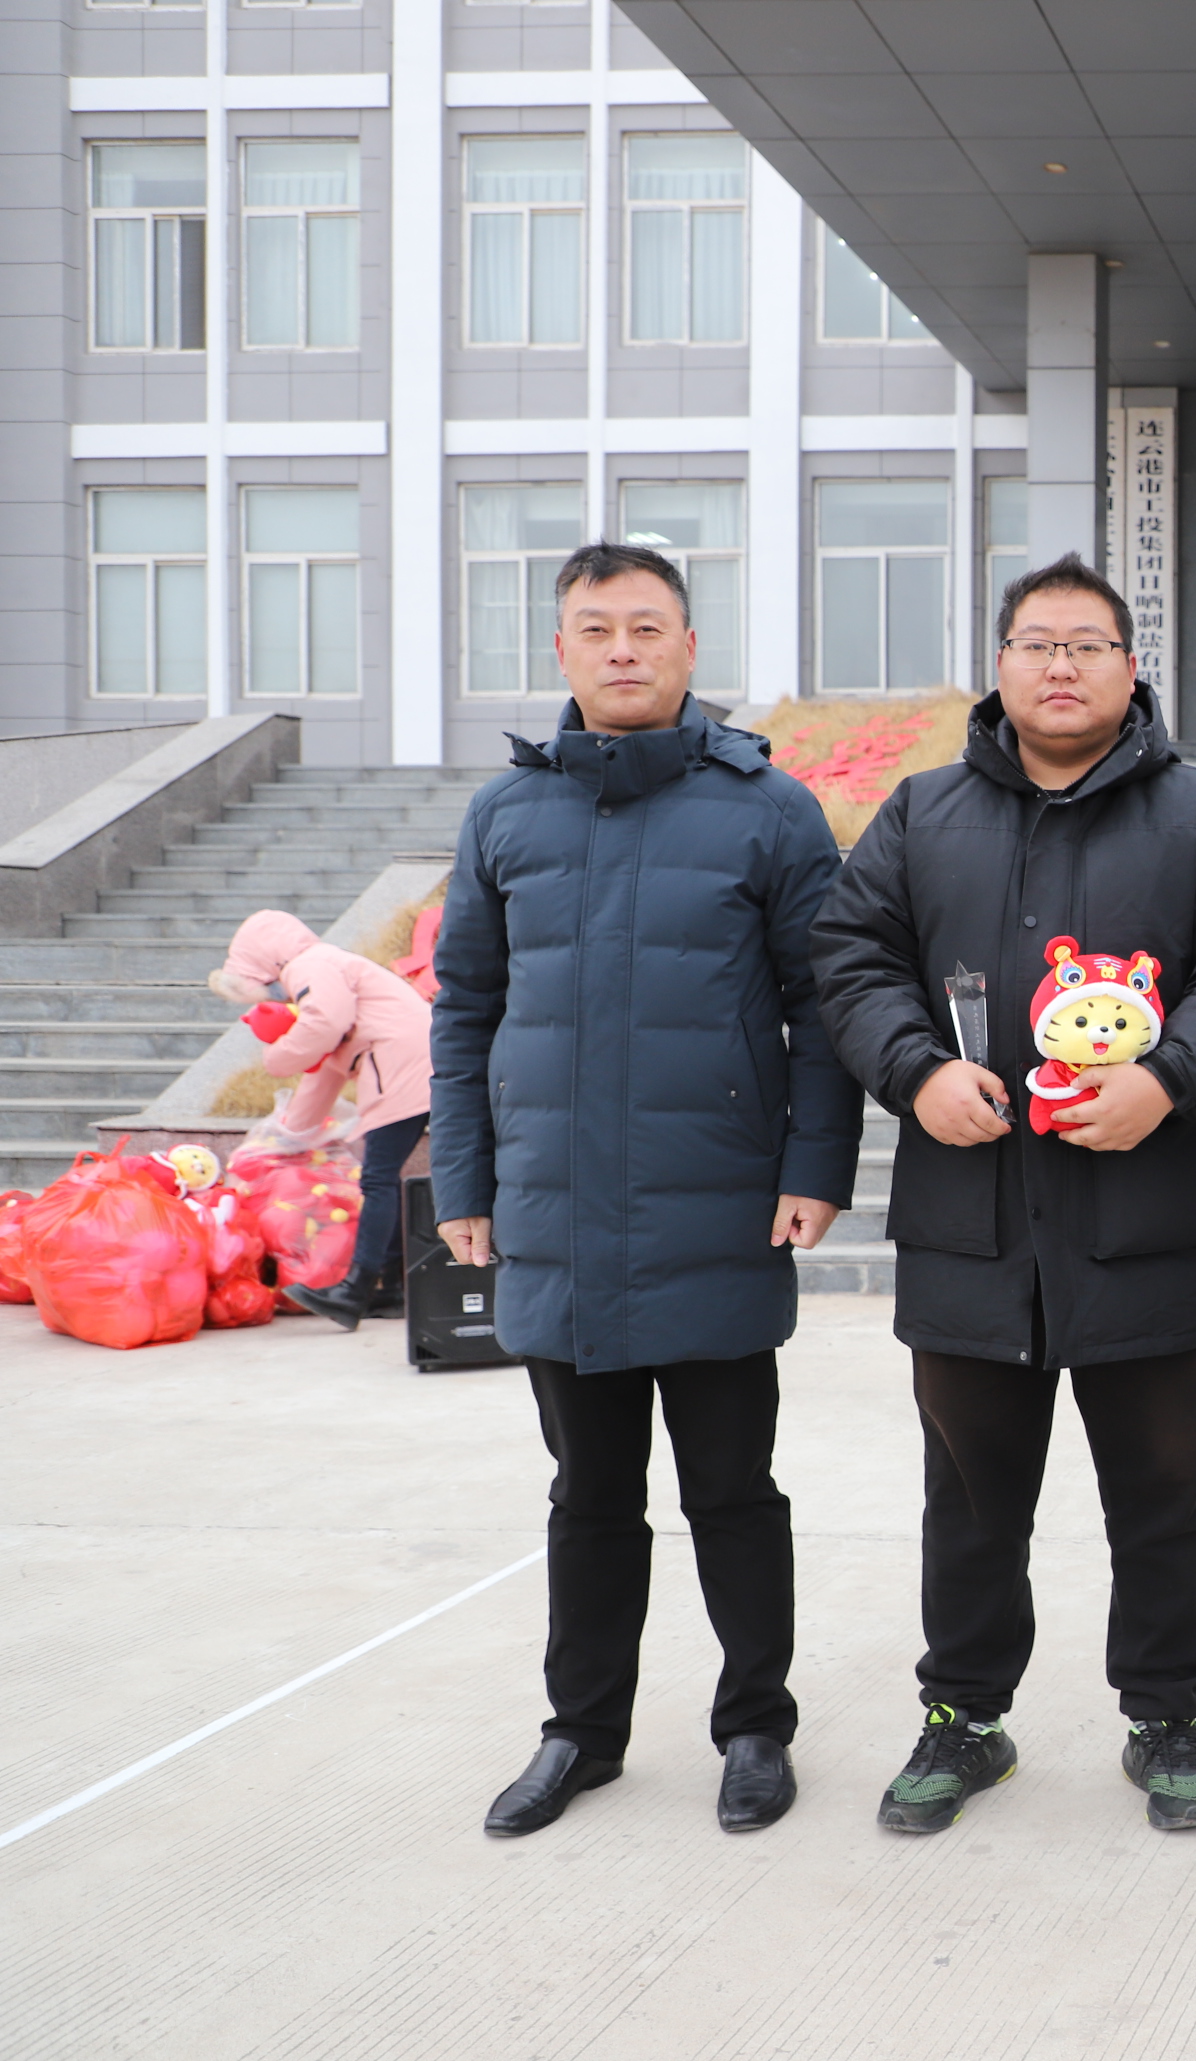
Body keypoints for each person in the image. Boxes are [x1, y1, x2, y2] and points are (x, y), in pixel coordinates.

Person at [809, 553, 1196, 1837]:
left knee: (1164, 1491)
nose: (1063, 665)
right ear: (1002, 665)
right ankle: (965, 1717)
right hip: (970, 1223)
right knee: (970, 1498)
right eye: (1039, 643)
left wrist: (1167, 1079)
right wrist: (916, 1072)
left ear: (1132, 667)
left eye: (1089, 644)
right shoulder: (922, 813)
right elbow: (850, 960)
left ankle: (1167, 1717)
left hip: (1145, 1218)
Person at [431, 542, 861, 1841]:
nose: (622, 649)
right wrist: (464, 1177)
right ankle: (582, 1732)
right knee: (587, 1496)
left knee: (733, 1490)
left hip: (716, 1205)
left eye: (647, 626)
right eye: (596, 627)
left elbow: (822, 1007)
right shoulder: (506, 815)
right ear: (560, 648)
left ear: (689, 647)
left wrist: (814, 1166)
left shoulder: (767, 809)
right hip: (556, 1211)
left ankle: (755, 1727)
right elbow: (466, 1008)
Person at [207, 907, 433, 1328]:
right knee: (382, 1177)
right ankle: (392, 1290)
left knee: (378, 1179)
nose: (274, 995)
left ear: (268, 963)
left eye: (264, 985)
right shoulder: (324, 969)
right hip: (411, 1062)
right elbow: (324, 1070)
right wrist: (289, 1134)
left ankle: (355, 1291)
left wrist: (276, 1058)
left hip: (404, 1065)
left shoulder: (311, 965)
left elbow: (325, 1024)